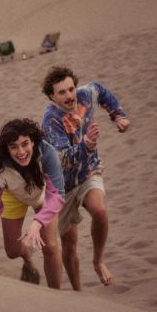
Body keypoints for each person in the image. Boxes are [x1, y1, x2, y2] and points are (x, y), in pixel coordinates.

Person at [41, 65, 130, 290]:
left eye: (71, 89)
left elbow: (101, 91)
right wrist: (88, 143)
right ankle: (78, 294)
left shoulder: (86, 95)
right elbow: (63, 159)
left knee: (99, 211)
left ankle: (98, 261)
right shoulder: (51, 121)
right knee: (69, 245)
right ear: (52, 96)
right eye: (62, 92)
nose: (69, 96)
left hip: (88, 171)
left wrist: (117, 116)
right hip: (62, 185)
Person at [0, 119, 65, 289]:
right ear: (7, 149)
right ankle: (27, 257)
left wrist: (37, 223)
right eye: (14, 147)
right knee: (12, 252)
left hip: (44, 197)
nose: (21, 151)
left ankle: (56, 295)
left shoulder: (47, 153)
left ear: (33, 141)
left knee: (51, 247)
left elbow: (57, 196)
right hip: (14, 196)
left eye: (25, 144)